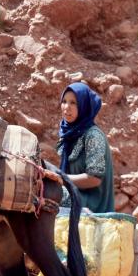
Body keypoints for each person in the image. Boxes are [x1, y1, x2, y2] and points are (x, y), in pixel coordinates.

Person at [57, 82, 114, 213]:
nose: (67, 107)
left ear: (84, 106)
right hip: (75, 195)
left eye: (73, 103)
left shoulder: (93, 136)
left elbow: (94, 179)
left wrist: (61, 178)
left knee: (49, 196)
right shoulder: (69, 134)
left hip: (93, 204)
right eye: (64, 101)